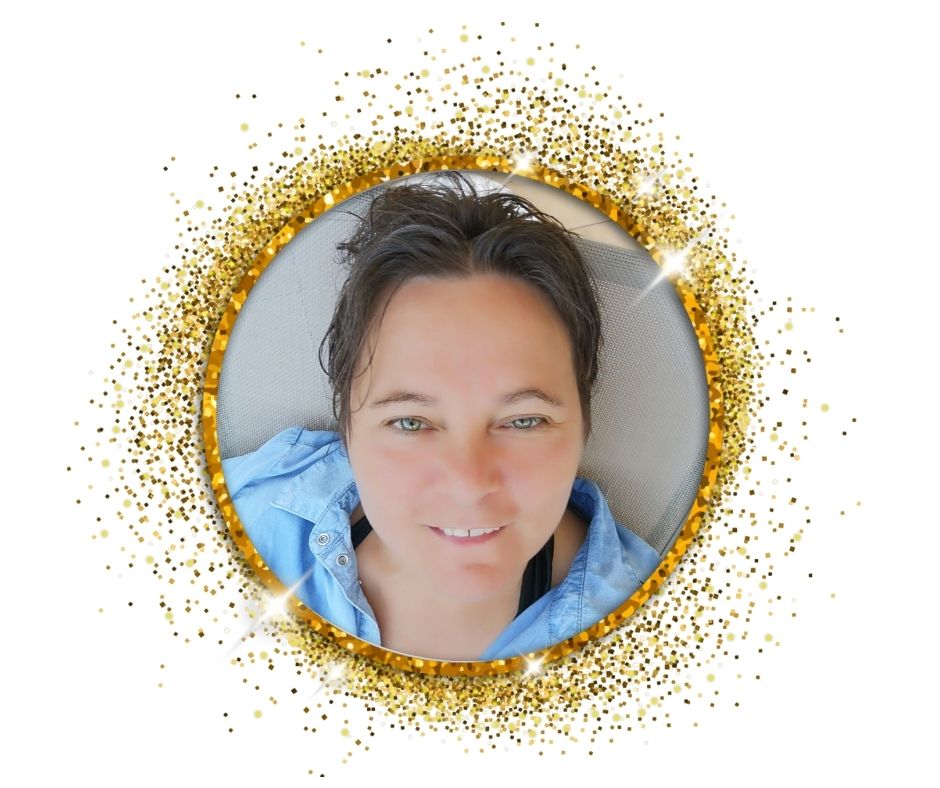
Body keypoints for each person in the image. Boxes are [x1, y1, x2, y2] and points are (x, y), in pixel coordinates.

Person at [221, 174, 661, 662]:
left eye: (523, 421)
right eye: (411, 423)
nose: (468, 485)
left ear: (582, 424)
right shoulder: (239, 518)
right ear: (347, 425)